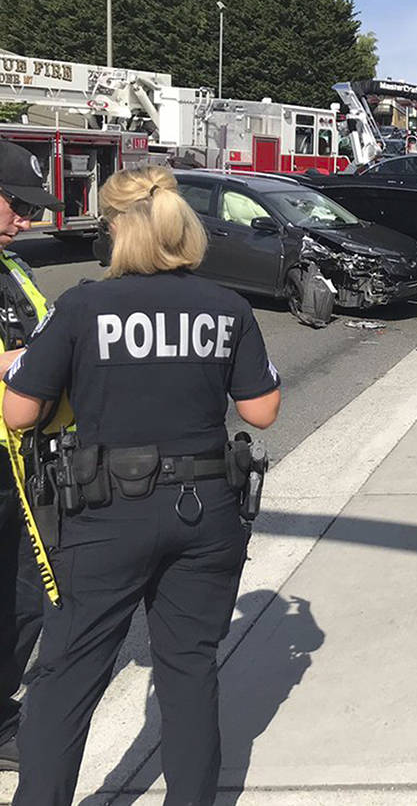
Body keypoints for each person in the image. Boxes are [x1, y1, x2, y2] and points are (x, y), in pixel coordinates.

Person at [4, 165, 281, 806]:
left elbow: (19, 413)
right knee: (188, 670)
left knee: (68, 675)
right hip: (206, 507)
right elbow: (261, 410)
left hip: (105, 514)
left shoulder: (81, 306)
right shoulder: (227, 306)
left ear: (120, 233)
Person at [0, 141, 65, 773]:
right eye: (17, 205)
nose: (27, 220)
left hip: (22, 464)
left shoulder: (12, 269)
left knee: (26, 594)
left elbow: (44, 334)